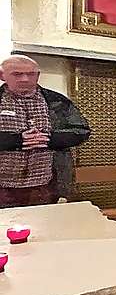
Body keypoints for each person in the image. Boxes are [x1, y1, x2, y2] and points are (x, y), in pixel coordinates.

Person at [0, 55, 91, 207]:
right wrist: (18, 140)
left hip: (46, 184)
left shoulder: (57, 101)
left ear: (38, 75)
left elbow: (82, 131)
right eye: (17, 74)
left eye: (30, 74)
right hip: (4, 185)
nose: (24, 79)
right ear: (2, 75)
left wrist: (49, 139)